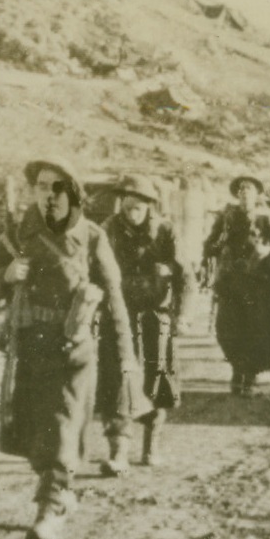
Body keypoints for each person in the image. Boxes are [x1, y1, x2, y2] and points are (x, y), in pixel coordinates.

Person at [0, 157, 134, 539]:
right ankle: (60, 490)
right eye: (41, 186)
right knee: (35, 431)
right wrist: (7, 275)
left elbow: (114, 302)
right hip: (29, 347)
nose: (48, 194)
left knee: (61, 425)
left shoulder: (93, 236)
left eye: (57, 186)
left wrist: (125, 356)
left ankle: (50, 507)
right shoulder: (16, 234)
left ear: (73, 192)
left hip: (73, 348)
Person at [95, 174, 191, 472]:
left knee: (156, 378)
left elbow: (185, 276)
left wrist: (183, 315)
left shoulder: (165, 231)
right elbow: (92, 270)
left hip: (155, 317)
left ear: (150, 205)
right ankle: (119, 450)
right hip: (117, 317)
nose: (132, 210)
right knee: (116, 380)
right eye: (127, 203)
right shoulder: (107, 231)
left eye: (139, 205)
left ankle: (152, 443)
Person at [202, 175, 270, 396]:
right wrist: (219, 245)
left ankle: (251, 376)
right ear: (237, 194)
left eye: (249, 189)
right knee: (228, 329)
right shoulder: (226, 218)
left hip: (259, 285)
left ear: (257, 194)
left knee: (258, 329)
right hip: (231, 283)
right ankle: (237, 371)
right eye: (241, 189)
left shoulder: (267, 219)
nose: (245, 193)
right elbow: (209, 246)